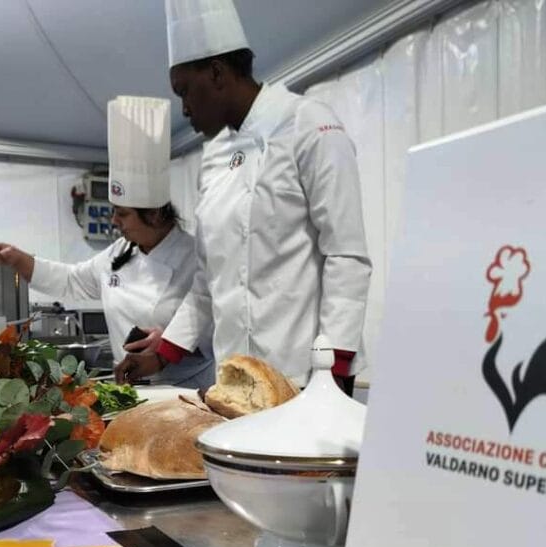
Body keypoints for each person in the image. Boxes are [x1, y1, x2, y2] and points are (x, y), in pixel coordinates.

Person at [115, 0, 371, 392]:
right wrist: (162, 354)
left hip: (304, 378)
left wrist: (333, 373)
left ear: (216, 73)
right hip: (236, 382)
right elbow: (206, 282)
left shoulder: (308, 124)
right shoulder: (216, 156)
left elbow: (346, 255)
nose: (184, 109)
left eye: (184, 91)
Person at [0, 96, 214, 389]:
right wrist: (17, 259)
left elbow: (214, 324)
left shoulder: (195, 259)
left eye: (123, 214)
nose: (114, 221)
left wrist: (169, 343)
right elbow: (71, 280)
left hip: (188, 390)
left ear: (154, 214)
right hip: (134, 387)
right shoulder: (120, 252)